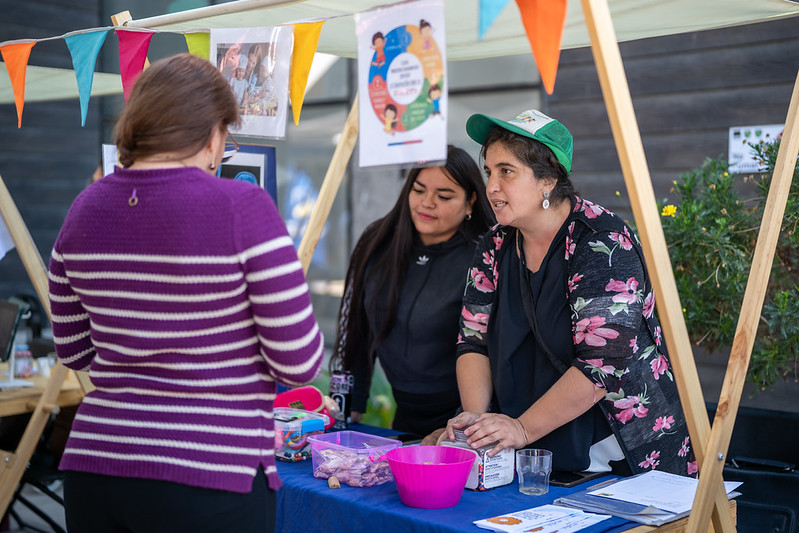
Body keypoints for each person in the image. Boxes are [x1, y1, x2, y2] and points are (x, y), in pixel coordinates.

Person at [47, 53, 324, 532]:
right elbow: (298, 362)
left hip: (97, 467)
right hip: (211, 473)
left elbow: (73, 350)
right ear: (212, 133)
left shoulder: (85, 207)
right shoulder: (242, 206)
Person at [441, 109, 696, 477]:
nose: (492, 187)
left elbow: (602, 366)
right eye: (489, 172)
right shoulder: (495, 243)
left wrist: (521, 428)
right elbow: (472, 340)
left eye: (506, 171)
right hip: (527, 451)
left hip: (614, 451)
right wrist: (480, 424)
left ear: (548, 179)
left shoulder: (601, 242)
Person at [331, 145, 495, 443]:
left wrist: (461, 425)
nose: (427, 203)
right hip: (401, 421)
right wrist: (347, 405)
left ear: (471, 201)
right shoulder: (378, 241)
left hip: (464, 423)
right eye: (419, 190)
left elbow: (492, 353)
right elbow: (358, 331)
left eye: (444, 196)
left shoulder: (485, 257)